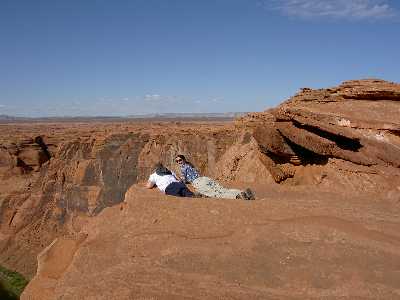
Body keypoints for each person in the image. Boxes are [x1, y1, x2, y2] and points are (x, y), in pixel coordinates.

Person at [175, 154, 255, 200]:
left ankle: (237, 196)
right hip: (205, 179)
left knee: (215, 194)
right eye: (177, 161)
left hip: (198, 182)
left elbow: (184, 179)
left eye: (180, 160)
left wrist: (178, 181)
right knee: (222, 189)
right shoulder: (190, 165)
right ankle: (241, 192)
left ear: (184, 160)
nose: (179, 162)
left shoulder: (183, 168)